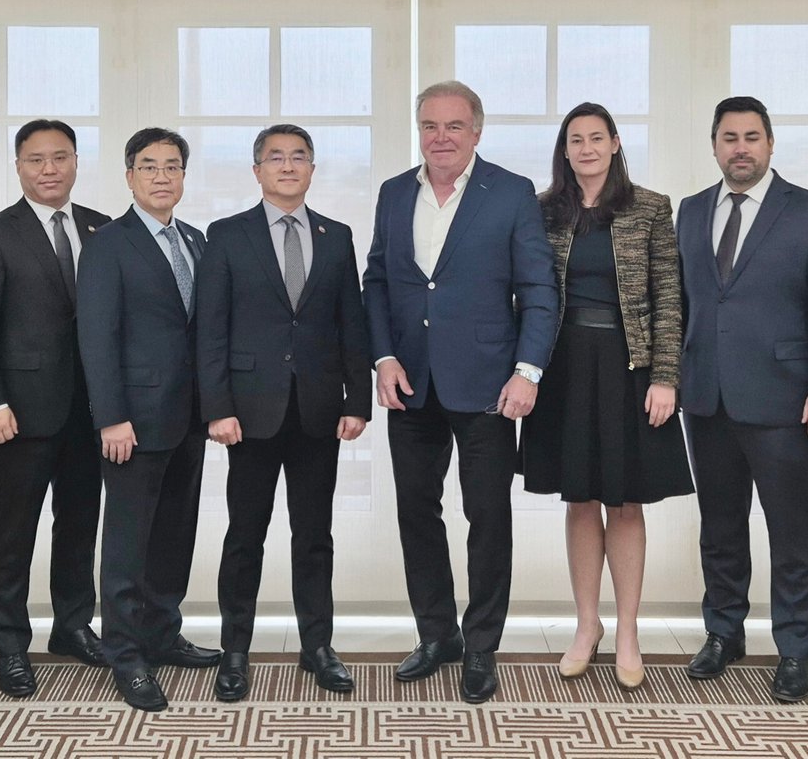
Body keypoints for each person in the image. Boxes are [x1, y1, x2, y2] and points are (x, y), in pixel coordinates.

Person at [362, 80, 558, 704]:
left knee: (487, 516)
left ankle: (480, 647)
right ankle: (437, 635)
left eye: (453, 125)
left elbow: (539, 289)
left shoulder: (511, 192)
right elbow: (377, 282)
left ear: (476, 131)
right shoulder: (395, 193)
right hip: (410, 383)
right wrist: (383, 357)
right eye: (429, 125)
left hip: (488, 385)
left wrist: (528, 372)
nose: (440, 137)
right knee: (416, 513)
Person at [675, 95, 808, 703]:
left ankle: (795, 649)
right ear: (715, 145)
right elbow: (687, 303)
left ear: (770, 144)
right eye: (729, 138)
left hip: (785, 401)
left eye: (752, 137)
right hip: (706, 398)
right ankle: (723, 633)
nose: (741, 148)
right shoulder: (691, 210)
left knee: (792, 530)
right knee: (720, 527)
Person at [520, 102, 693, 689]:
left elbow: (669, 297)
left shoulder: (650, 207)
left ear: (616, 143)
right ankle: (586, 625)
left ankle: (627, 632)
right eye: (576, 139)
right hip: (562, 367)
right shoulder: (543, 210)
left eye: (597, 138)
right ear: (564, 149)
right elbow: (527, 292)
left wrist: (666, 376)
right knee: (579, 500)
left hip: (630, 368)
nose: (587, 148)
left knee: (625, 502)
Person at [197, 124, 372, 701]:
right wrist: (217, 408)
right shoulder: (227, 235)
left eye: (299, 157)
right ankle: (235, 651)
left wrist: (357, 400)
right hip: (249, 413)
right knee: (245, 536)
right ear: (257, 171)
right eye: (276, 157)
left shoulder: (337, 236)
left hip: (318, 411)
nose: (288, 166)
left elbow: (352, 323)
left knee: (314, 535)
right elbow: (211, 330)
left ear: (312, 170)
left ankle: (317, 647)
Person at [0, 120, 111, 698]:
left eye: (60, 157)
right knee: (13, 529)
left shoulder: (102, 228)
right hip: (22, 410)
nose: (49, 169)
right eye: (36, 159)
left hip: (91, 409)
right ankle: (10, 644)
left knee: (80, 522)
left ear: (76, 162)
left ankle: (73, 627)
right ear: (18, 166)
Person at [77, 127, 218, 712]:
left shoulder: (196, 240)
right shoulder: (108, 243)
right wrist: (111, 417)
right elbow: (97, 336)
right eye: (150, 166)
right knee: (128, 542)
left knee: (174, 534)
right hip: (132, 421)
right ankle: (126, 653)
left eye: (172, 166)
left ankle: (162, 633)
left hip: (189, 417)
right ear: (129, 176)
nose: (162, 176)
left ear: (184, 175)